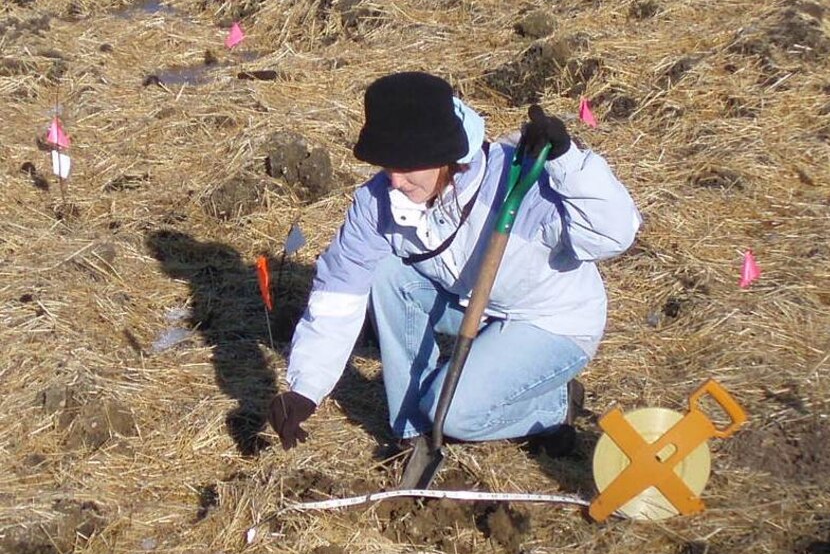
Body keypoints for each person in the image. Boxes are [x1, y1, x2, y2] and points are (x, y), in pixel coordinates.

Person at [268, 71, 641, 457]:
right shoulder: (379, 202)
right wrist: (305, 388)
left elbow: (613, 235)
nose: (395, 182)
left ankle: (554, 406)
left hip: (554, 320)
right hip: (479, 306)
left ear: (442, 155)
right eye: (386, 167)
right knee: (386, 273)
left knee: (455, 416)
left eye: (407, 166)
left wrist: (568, 163)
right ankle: (413, 427)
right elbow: (340, 291)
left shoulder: (518, 183)